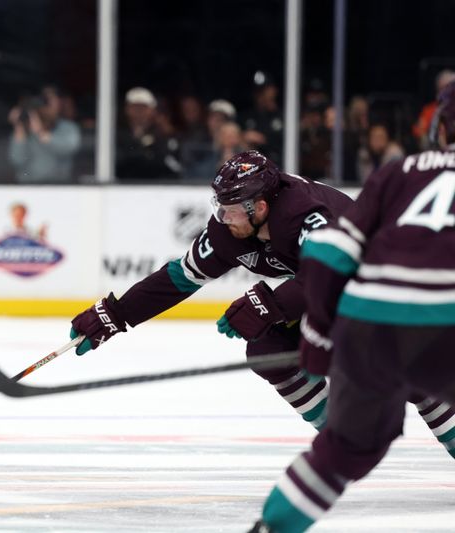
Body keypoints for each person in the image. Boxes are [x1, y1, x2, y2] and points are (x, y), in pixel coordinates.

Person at [69, 150, 455, 453]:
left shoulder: (306, 215)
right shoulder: (229, 231)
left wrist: (271, 303)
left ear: (262, 207)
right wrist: (116, 315)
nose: (223, 217)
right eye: (220, 206)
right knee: (267, 348)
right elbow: (178, 278)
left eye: (232, 208)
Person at [248, 80, 455, 533]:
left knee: (343, 450)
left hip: (373, 325)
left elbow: (327, 256)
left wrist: (320, 341)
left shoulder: (398, 172)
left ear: (441, 126)